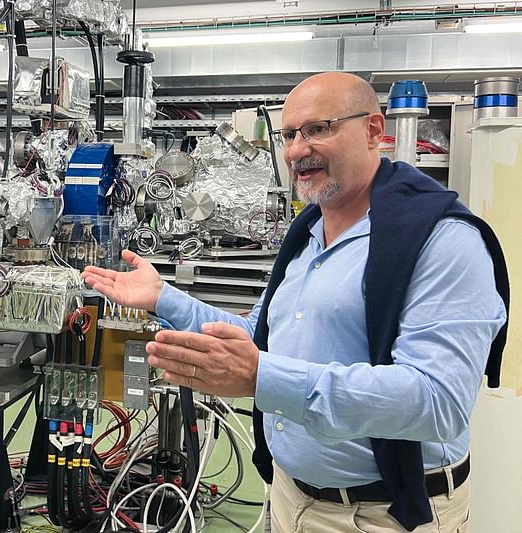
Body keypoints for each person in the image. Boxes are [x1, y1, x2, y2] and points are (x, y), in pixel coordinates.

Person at [82, 72, 509, 533]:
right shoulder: (306, 236)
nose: (296, 150)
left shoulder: (442, 240)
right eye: (288, 135)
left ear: (373, 131)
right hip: (287, 496)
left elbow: (438, 402)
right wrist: (165, 296)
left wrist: (261, 377)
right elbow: (259, 336)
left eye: (318, 129)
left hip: (381, 515)